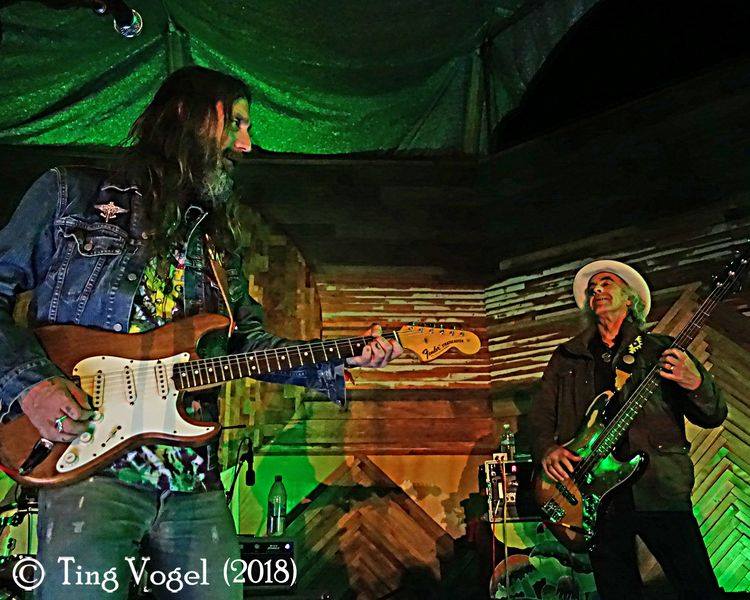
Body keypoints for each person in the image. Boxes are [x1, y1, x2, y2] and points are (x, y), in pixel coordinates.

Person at [0, 66, 402, 599]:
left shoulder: (215, 241)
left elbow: (245, 345)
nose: (247, 144)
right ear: (184, 116)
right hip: (89, 467)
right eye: (235, 122)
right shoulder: (71, 194)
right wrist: (31, 385)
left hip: (193, 480)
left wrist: (341, 355)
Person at [529, 259, 726, 600]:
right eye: (592, 288)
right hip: (593, 494)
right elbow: (541, 415)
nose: (596, 289)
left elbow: (713, 415)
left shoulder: (661, 351)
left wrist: (695, 382)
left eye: (606, 283)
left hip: (659, 487)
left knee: (697, 587)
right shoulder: (568, 357)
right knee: (617, 591)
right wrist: (547, 448)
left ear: (631, 298)